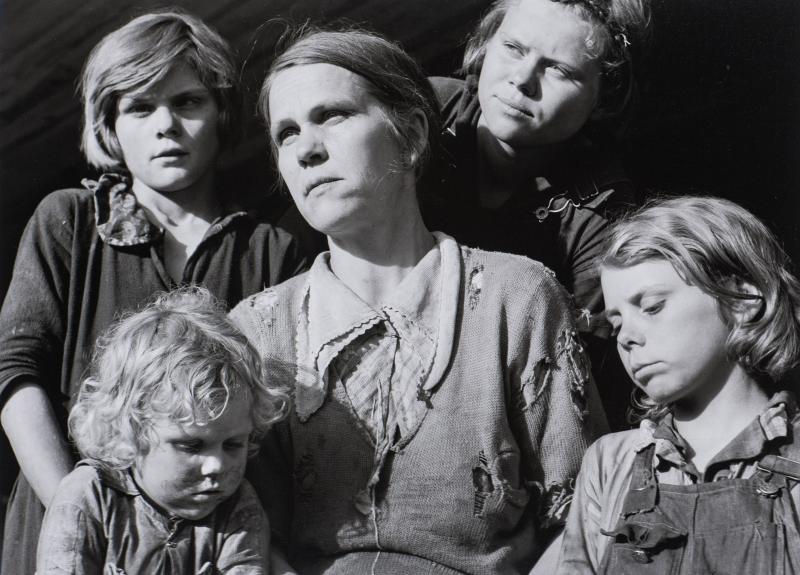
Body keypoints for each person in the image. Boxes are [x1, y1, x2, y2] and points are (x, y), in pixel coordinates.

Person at [229, 26, 608, 574]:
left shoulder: (517, 298)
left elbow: (585, 517)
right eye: (286, 133)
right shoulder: (258, 330)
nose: (306, 149)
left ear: (409, 135)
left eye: (331, 116)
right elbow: (245, 533)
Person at [0, 11, 306, 573]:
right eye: (140, 106)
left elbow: (274, 430)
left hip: (213, 551)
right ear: (110, 125)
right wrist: (85, 513)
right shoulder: (68, 222)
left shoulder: (271, 250)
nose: (165, 123)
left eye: (188, 102)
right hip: (67, 539)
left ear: (222, 113)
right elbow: (15, 376)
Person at [425, 0, 651, 430]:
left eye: (559, 70)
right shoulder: (424, 111)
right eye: (513, 47)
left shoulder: (600, 214)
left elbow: (571, 383)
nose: (523, 81)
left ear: (604, 97)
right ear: (484, 46)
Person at [557, 196, 800, 573]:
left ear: (743, 300)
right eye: (617, 323)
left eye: (652, 306)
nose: (627, 338)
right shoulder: (609, 464)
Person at [36, 287, 289, 574]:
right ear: (130, 431)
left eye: (233, 444)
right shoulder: (88, 497)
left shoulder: (238, 507)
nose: (216, 465)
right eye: (191, 446)